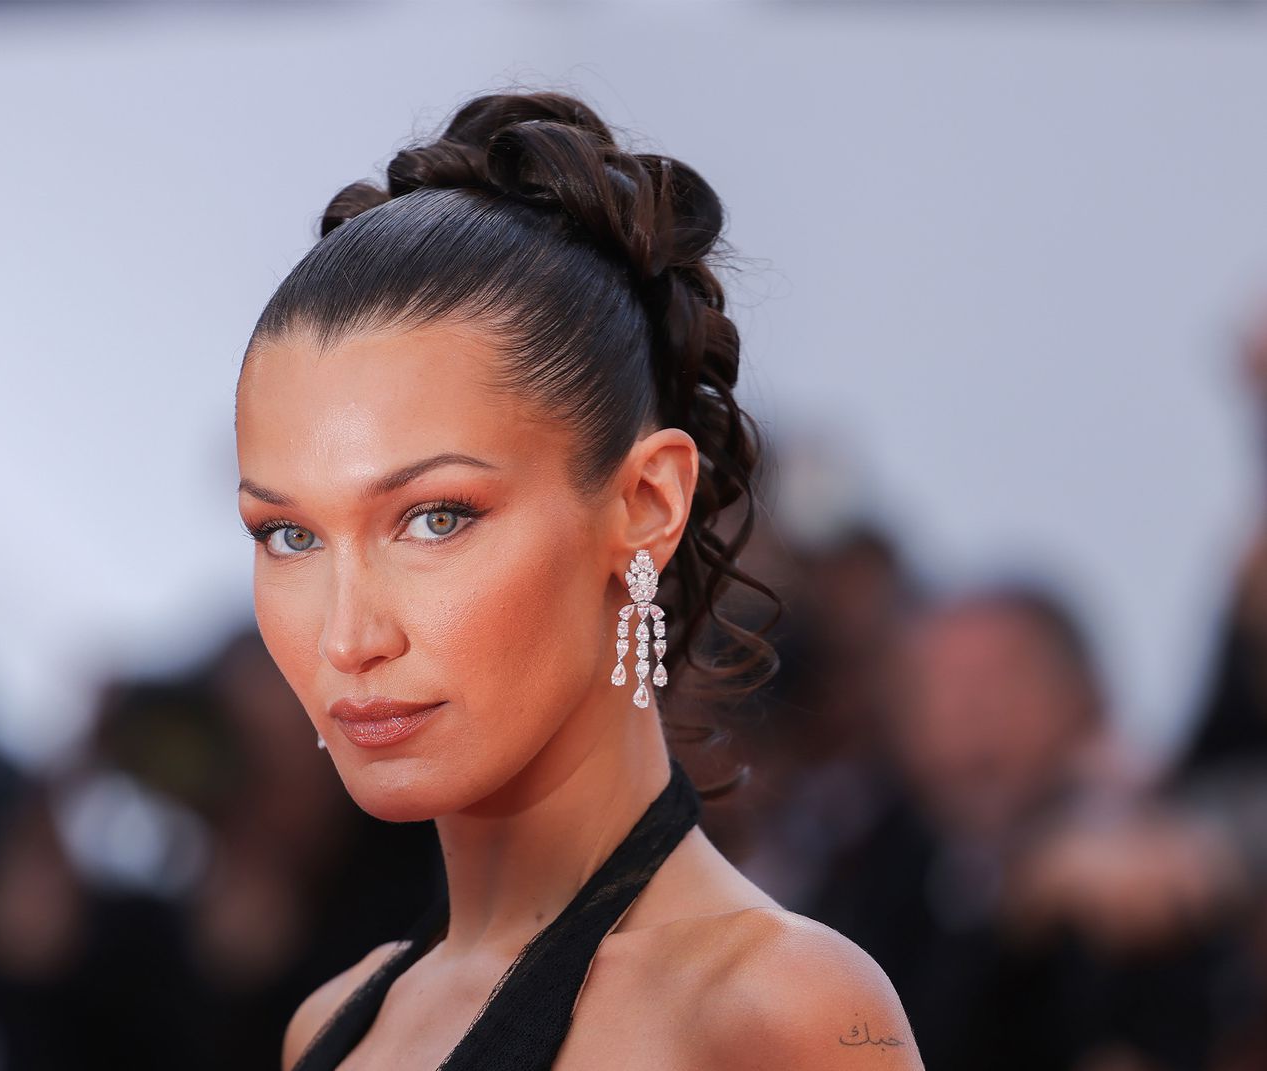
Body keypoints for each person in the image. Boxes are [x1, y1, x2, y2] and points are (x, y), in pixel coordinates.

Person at [233, 90, 922, 1070]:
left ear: (645, 502)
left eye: (436, 517)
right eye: (290, 535)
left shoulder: (777, 1011)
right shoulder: (332, 1025)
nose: (348, 637)